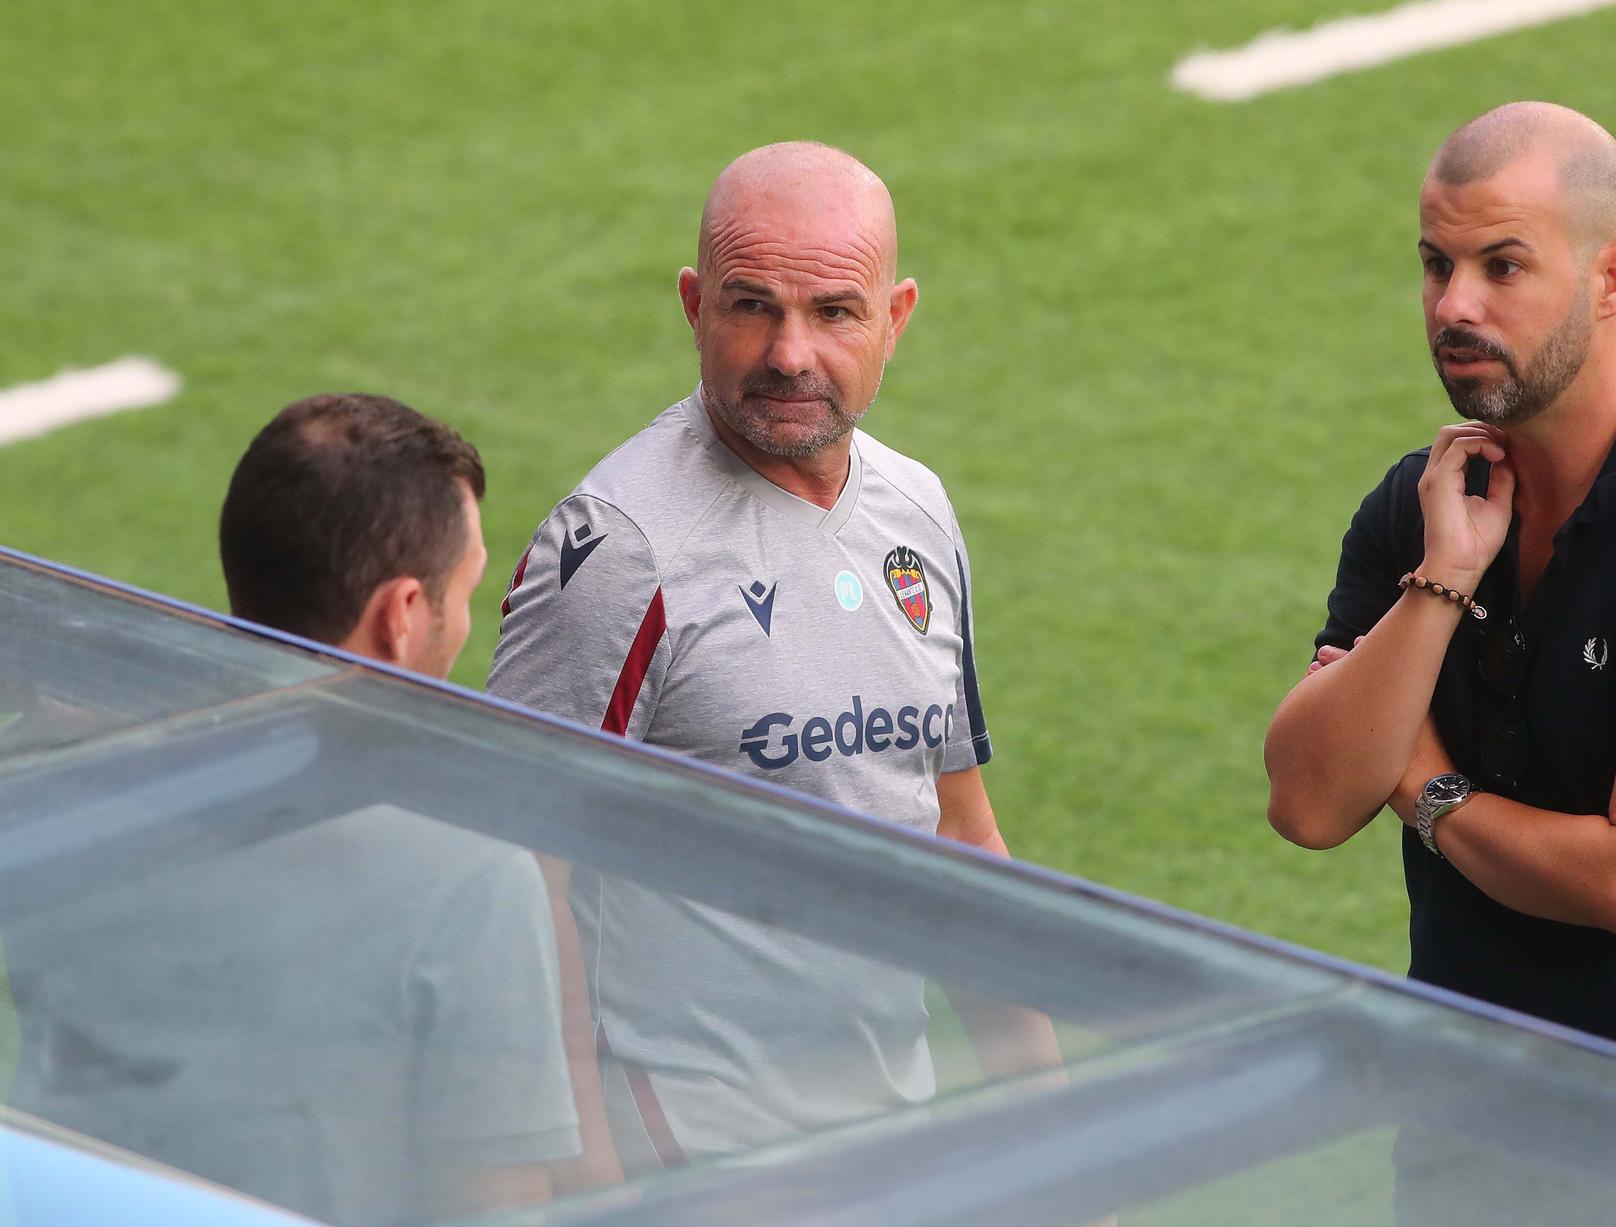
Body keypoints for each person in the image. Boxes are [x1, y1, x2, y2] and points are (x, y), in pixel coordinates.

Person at [490, 142, 1055, 1167]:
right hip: (687, 1148)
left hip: (884, 1130)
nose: (790, 354)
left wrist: (1061, 1130)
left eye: (835, 311)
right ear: (692, 306)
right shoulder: (617, 548)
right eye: (752, 306)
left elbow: (960, 836)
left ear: (898, 318)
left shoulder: (915, 513)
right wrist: (585, 1168)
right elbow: (518, 871)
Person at [1264, 103, 1616, 1099]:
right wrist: (1439, 581)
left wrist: (1425, 791)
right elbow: (1309, 802)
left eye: (1502, 266)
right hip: (1461, 1127)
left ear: (1612, 280)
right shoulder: (1419, 505)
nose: (1452, 307)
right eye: (1435, 264)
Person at [6, 394, 584, 1227]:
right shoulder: (470, 875)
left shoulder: (67, 796)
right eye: (463, 591)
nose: (465, 621)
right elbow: (495, 1207)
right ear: (401, 614)